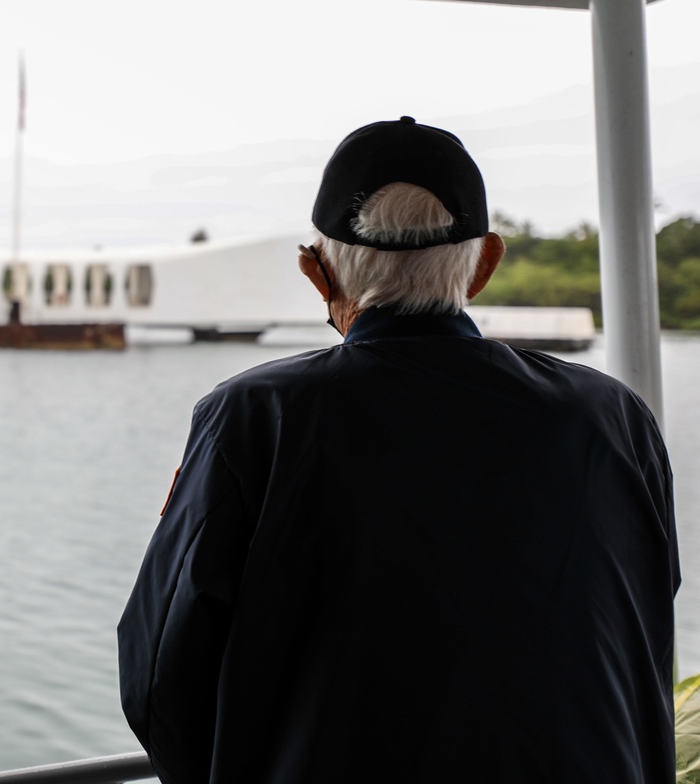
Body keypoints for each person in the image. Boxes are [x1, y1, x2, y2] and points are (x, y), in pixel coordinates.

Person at [117, 116, 680, 783]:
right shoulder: (615, 417)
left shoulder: (252, 418)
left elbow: (158, 676)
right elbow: (648, 608)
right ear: (485, 265)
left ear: (314, 270)